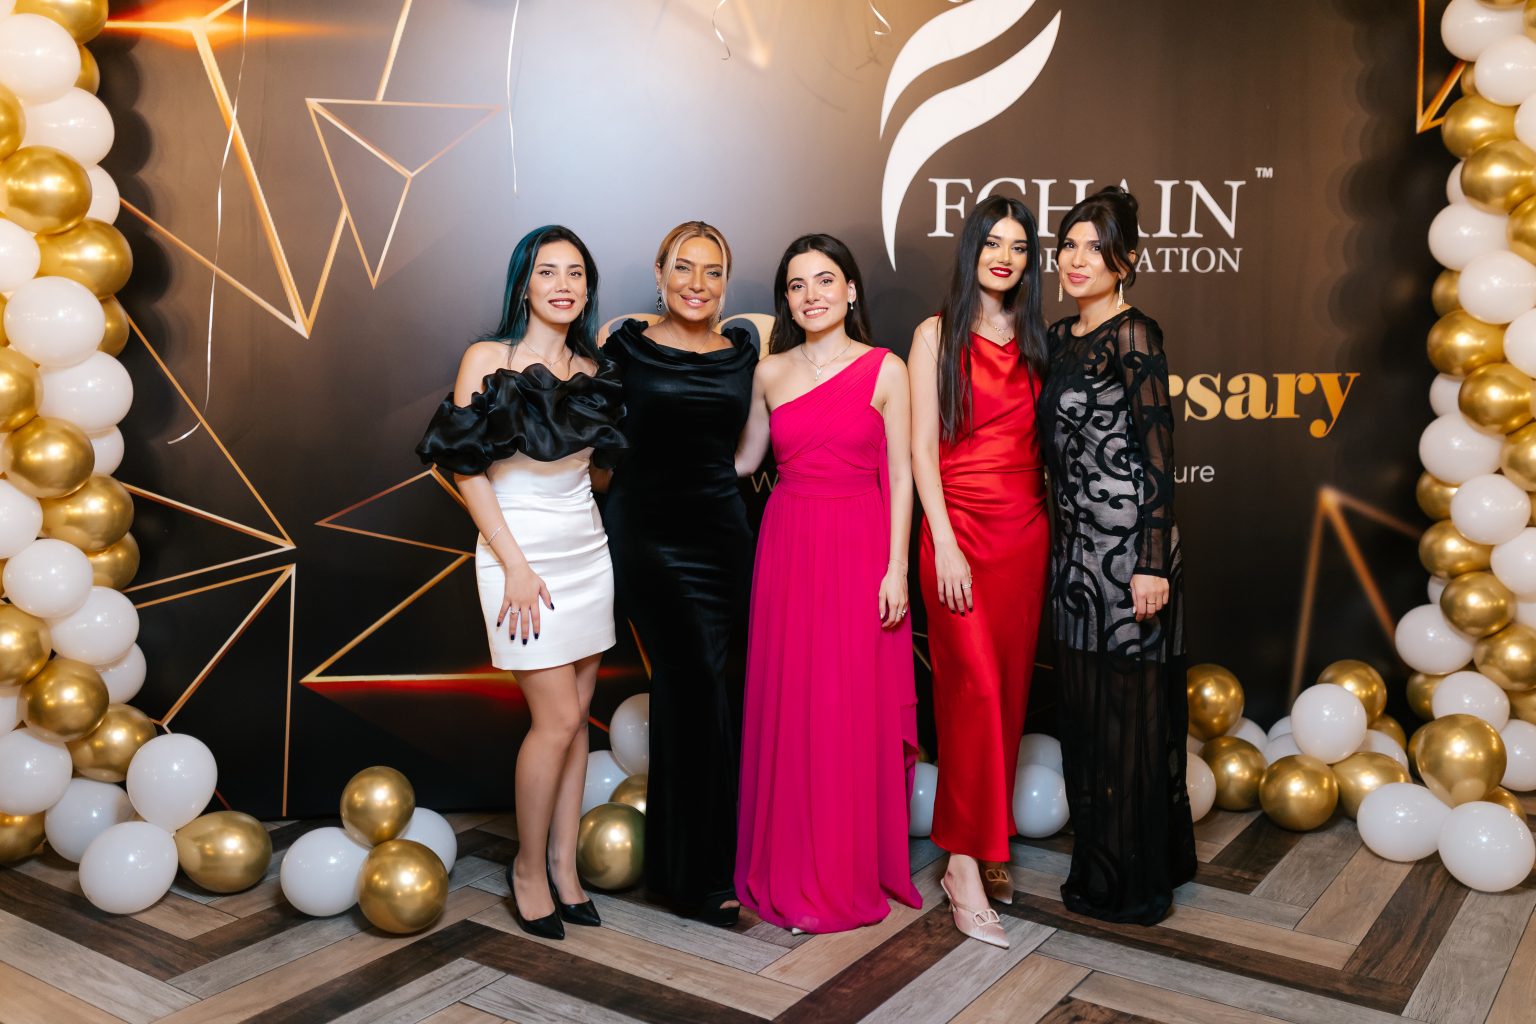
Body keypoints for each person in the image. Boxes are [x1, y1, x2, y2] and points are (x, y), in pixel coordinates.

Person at [416, 225, 625, 940]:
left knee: (579, 719)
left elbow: (598, 474)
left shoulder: (596, 370)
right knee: (556, 720)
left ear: (588, 289)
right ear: (524, 284)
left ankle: (565, 868)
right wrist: (514, 563)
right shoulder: (488, 358)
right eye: (547, 271)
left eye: (576, 273)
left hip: (587, 552)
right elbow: (465, 468)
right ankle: (528, 870)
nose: (563, 284)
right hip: (517, 557)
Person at [733, 233, 921, 934]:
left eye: (824, 280)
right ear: (786, 300)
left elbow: (901, 474)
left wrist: (896, 568)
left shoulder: (886, 368)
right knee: (794, 703)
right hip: (789, 548)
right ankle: (790, 864)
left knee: (847, 706)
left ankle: (843, 866)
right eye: (796, 285)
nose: (810, 295)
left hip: (861, 548)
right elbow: (745, 462)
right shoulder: (768, 372)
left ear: (850, 290)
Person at [1038, 186, 1196, 925]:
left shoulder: (1136, 334)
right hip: (1075, 561)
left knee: (1129, 724)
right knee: (1086, 719)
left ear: (1125, 261)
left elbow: (1158, 456)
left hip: (1130, 558)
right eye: (1068, 245)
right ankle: (1102, 857)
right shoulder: (1058, 336)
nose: (1077, 260)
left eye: (1094, 249)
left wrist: (1152, 563)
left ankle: (1132, 882)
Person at [601, 221, 757, 925]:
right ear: (659, 273)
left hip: (723, 538)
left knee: (708, 689)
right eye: (684, 268)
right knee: (692, 679)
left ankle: (684, 865)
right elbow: (599, 445)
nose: (698, 284)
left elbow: (748, 447)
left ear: (727, 281)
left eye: (713, 271)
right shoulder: (625, 344)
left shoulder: (743, 352)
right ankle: (699, 878)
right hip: (650, 538)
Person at [910, 195, 1049, 948]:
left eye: (1019, 247)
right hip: (956, 527)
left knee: (1009, 694)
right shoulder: (936, 333)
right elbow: (920, 448)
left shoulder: (1037, 337)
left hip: (1024, 532)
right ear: (971, 250)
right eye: (993, 242)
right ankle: (961, 866)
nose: (1005, 257)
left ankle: (984, 844)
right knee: (974, 693)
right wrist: (944, 539)